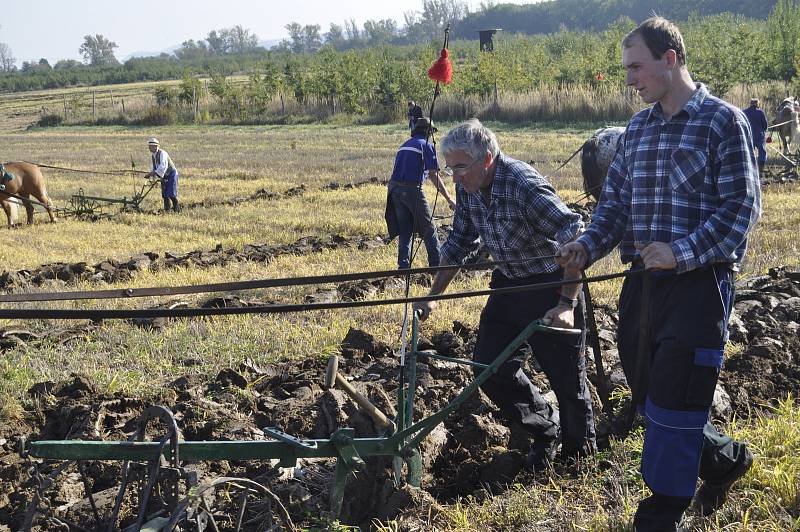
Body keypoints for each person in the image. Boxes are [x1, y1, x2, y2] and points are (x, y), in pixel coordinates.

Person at [554, 17, 761, 531]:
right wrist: (586, 245)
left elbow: (741, 209)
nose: (629, 80)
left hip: (699, 285)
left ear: (670, 60)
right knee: (651, 397)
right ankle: (726, 459)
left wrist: (682, 251)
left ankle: (660, 514)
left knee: (673, 399)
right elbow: (615, 206)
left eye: (636, 67)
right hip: (642, 287)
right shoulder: (638, 130)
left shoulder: (722, 122)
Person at [413, 118, 596, 470]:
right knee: (488, 366)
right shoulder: (469, 190)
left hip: (549, 284)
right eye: (450, 168)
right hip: (509, 284)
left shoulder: (523, 184)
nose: (455, 177)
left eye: (460, 167)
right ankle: (545, 428)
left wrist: (566, 303)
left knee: (567, 379)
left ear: (487, 159)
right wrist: (433, 295)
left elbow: (573, 235)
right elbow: (457, 245)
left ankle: (579, 457)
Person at [386, 117, 455, 269]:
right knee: (429, 230)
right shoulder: (426, 146)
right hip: (412, 189)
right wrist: (450, 199)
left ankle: (403, 267)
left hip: (394, 189)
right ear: (429, 132)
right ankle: (436, 267)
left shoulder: (404, 145)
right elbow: (433, 174)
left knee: (406, 230)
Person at [145, 137, 180, 212]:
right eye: (149, 146)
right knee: (165, 194)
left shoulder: (162, 153)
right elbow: (153, 167)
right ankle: (167, 210)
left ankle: (177, 210)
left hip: (171, 174)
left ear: (155, 146)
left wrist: (153, 173)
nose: (149, 148)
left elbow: (163, 166)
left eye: (150, 146)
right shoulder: (153, 156)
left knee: (171, 193)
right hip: (163, 175)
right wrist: (150, 175)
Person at [742, 98, 768, 175]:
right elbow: (765, 126)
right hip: (759, 136)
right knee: (762, 152)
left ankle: (750, 167)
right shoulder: (760, 112)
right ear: (757, 104)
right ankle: (761, 168)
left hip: (748, 135)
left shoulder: (744, 112)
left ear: (750, 104)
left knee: (750, 152)